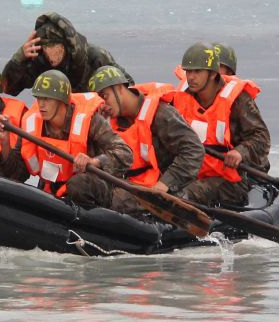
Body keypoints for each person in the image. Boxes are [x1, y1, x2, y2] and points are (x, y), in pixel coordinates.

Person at [0, 69, 133, 210]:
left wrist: (94, 161)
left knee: (77, 185)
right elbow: (16, 173)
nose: (41, 104)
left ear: (62, 101)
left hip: (89, 189)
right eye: (38, 98)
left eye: (47, 99)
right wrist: (5, 144)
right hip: (51, 190)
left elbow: (125, 153)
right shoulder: (31, 123)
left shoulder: (90, 121)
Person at [164, 42, 271, 206]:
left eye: (197, 71)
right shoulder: (180, 97)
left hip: (229, 178)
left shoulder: (238, 100)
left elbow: (262, 138)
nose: (191, 77)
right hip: (190, 171)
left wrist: (239, 152)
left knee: (184, 195)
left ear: (213, 74)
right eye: (188, 71)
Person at [87, 65, 204, 213]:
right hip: (128, 185)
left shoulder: (161, 114)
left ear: (120, 89)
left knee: (113, 200)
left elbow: (194, 150)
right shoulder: (108, 120)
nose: (103, 105)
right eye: (99, 100)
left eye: (105, 96)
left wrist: (164, 185)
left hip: (163, 190)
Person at [1, 12, 133, 96]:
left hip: (96, 121)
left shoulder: (95, 57)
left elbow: (129, 88)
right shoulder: (41, 62)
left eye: (54, 46)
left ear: (66, 45)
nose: (50, 53)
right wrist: (19, 59)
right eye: (45, 47)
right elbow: (8, 88)